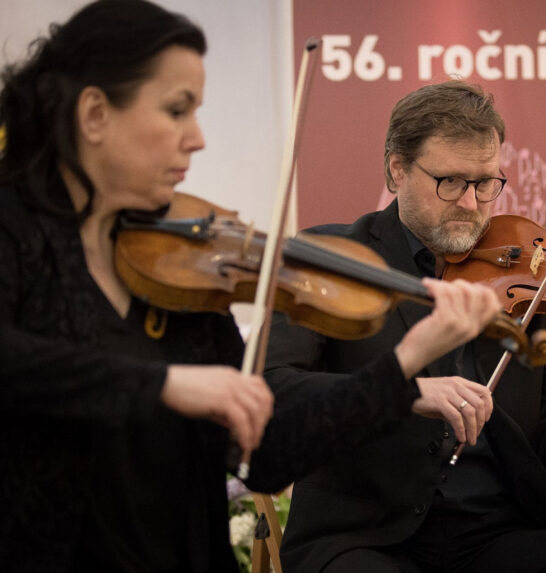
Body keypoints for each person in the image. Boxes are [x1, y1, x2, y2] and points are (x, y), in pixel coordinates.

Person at [0, 3, 503, 571]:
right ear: (94, 114)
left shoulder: (183, 265)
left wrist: (402, 365)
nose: (197, 138)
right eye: (176, 110)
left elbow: (264, 458)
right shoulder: (14, 234)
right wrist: (165, 385)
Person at [245, 80, 546, 572]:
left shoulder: (533, 277)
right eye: (450, 182)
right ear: (398, 169)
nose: (471, 203)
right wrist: (403, 390)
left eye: (486, 182)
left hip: (495, 537)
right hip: (363, 538)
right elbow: (270, 389)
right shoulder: (331, 258)